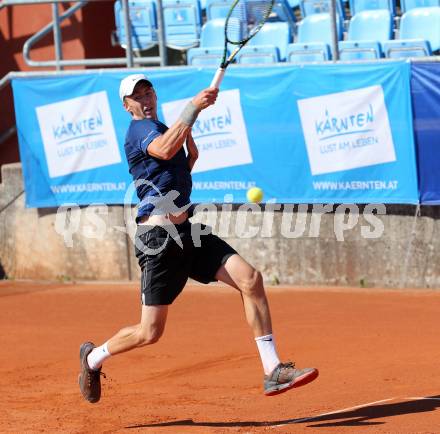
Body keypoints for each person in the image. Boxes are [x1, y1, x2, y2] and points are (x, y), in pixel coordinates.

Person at [78, 73, 318, 403]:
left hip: (188, 231)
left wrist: (189, 158)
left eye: (149, 93)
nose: (146, 100)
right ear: (127, 105)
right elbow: (162, 151)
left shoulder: (162, 130)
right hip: (158, 239)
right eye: (138, 97)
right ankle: (93, 358)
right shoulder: (139, 130)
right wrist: (194, 107)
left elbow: (171, 169)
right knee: (150, 332)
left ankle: (273, 369)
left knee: (250, 279)